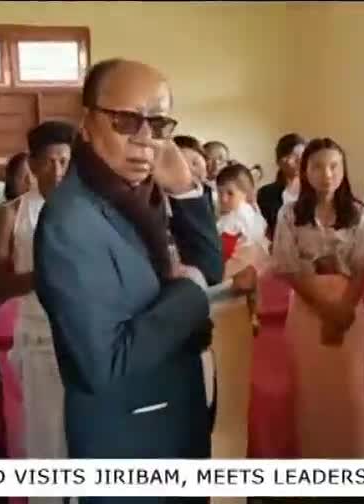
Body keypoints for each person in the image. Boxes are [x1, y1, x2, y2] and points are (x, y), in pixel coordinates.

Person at [34, 59, 256, 480]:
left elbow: (207, 265)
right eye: (125, 120)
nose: (144, 140)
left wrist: (186, 191)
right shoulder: (72, 220)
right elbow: (105, 364)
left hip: (177, 414)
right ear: (87, 122)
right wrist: (190, 293)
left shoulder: (141, 196)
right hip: (129, 440)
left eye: (156, 124)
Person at [0, 122, 76, 498]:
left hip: (87, 339)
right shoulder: (13, 214)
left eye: (66, 161)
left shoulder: (90, 209)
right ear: (32, 166)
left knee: (88, 440)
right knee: (46, 440)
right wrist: (39, 278)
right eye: (50, 162)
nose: (58, 171)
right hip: (39, 338)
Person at [272, 137, 364, 458]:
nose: (326, 174)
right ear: (304, 171)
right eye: (317, 166)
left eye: (334, 166)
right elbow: (286, 267)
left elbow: (363, 268)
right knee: (312, 395)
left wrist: (342, 310)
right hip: (307, 310)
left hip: (349, 312)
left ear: (343, 170)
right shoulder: (289, 215)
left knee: (349, 394)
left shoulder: (357, 213)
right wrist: (325, 309)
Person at [211, 163, 270, 464]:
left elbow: (234, 255)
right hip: (231, 292)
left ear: (245, 193)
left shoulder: (239, 220)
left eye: (229, 193)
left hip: (235, 288)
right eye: (219, 193)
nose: (223, 199)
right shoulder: (242, 218)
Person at [257, 133, 306, 239]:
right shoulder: (266, 193)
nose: (293, 161)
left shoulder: (314, 191)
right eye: (289, 156)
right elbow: (263, 229)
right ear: (279, 161)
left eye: (300, 156)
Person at [174, 135, 215, 213]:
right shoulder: (170, 200)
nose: (192, 171)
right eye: (183, 167)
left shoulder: (213, 193)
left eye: (195, 163)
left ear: (206, 161)